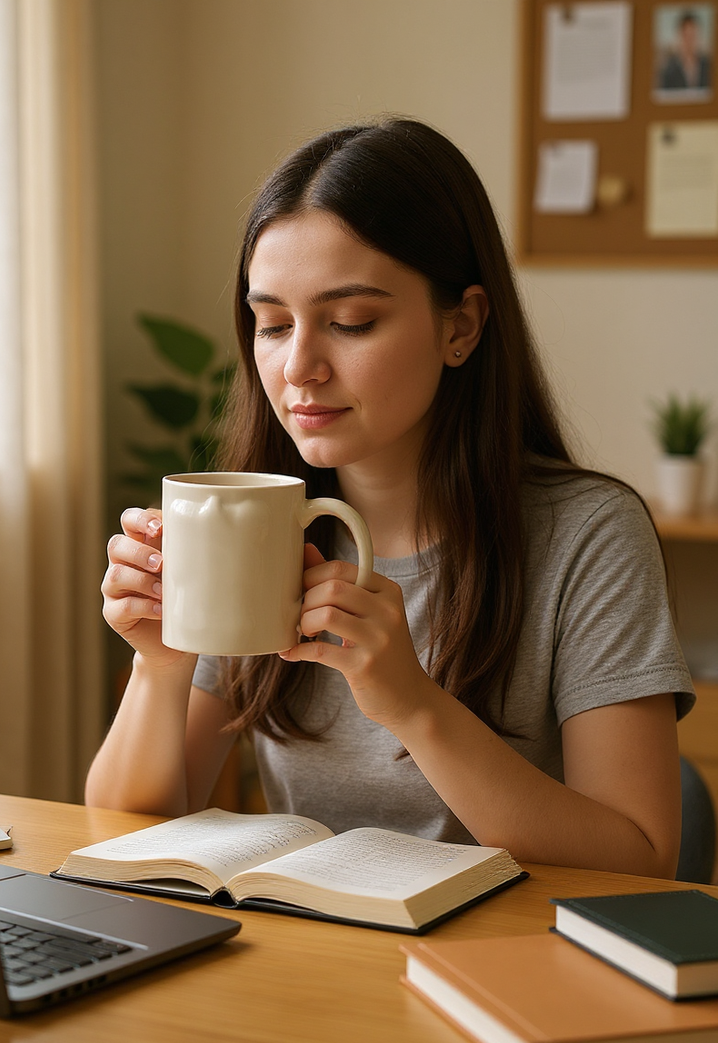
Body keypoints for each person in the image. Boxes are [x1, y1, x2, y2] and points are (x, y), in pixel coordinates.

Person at [90, 116, 694, 878]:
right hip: (311, 972)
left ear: (462, 326)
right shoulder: (261, 527)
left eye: (350, 322)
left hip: (498, 978)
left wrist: (413, 704)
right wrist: (160, 665)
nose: (298, 367)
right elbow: (122, 839)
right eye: (272, 324)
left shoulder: (587, 534)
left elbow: (641, 861)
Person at [657, 10, 712, 93]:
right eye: (686, 36)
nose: (690, 41)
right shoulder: (668, 69)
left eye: (693, 35)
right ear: (680, 36)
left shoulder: (708, 66)